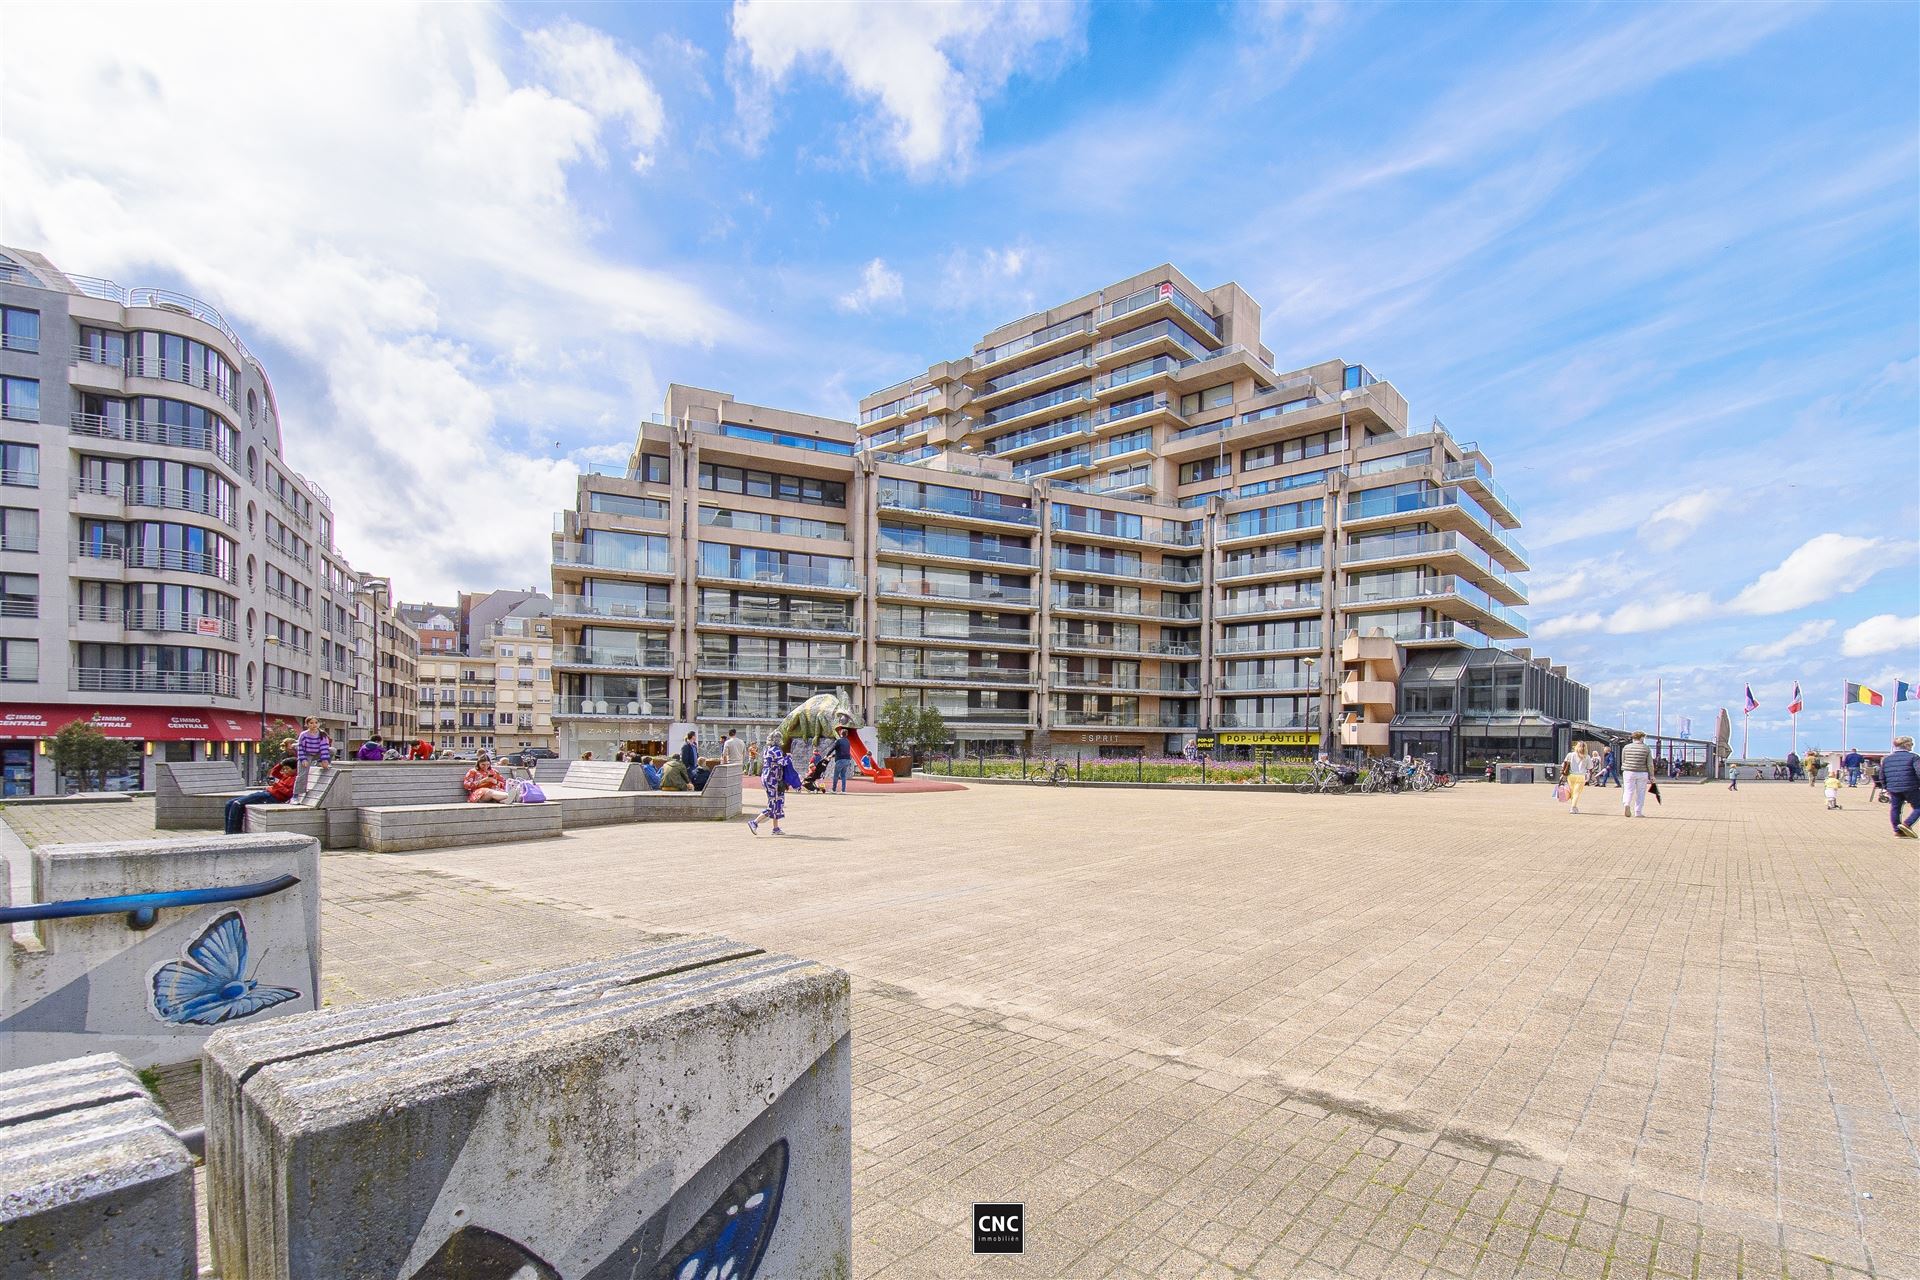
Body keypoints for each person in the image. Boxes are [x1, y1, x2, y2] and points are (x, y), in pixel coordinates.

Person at [225, 759, 297, 834]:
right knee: (229, 803)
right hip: (266, 793)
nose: (285, 771)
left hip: (273, 797)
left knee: (237, 804)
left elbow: (288, 793)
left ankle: (233, 833)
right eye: (284, 769)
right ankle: (227, 832)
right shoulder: (286, 776)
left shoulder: (294, 779)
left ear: (295, 769)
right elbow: (274, 772)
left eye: (287, 769)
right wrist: (281, 764)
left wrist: (276, 785)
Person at [749, 739, 791, 836]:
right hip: (773, 780)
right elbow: (783, 762)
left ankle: (775, 828)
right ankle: (754, 822)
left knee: (777, 802)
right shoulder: (776, 750)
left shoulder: (767, 749)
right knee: (773, 804)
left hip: (768, 778)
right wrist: (789, 757)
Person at [1882, 736, 1918, 838]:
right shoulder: (1914, 757)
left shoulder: (1887, 759)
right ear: (1906, 745)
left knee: (1895, 809)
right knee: (1918, 806)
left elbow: (1882, 775)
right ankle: (1907, 824)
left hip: (1893, 787)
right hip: (1910, 787)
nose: (1912, 746)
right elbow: (1919, 772)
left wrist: (1886, 787)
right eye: (1911, 744)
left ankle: (1898, 831)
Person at [294, 716, 332, 796]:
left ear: (319, 724)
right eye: (311, 723)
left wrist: (324, 760)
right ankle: (296, 795)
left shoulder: (323, 734)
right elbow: (300, 748)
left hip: (317, 753)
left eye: (316, 723)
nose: (314, 725)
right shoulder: (304, 734)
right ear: (307, 724)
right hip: (306, 754)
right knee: (302, 774)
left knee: (332, 750)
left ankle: (320, 762)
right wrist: (303, 759)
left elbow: (324, 747)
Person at [1620, 731, 1653, 818]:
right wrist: (1652, 775)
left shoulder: (1626, 747)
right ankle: (1638, 812)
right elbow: (1650, 763)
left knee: (1628, 790)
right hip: (1642, 772)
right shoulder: (1646, 748)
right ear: (1641, 738)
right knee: (1640, 792)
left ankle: (1626, 803)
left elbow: (1623, 760)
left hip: (1628, 771)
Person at [1560, 740, 1589, 813]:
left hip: (1571, 776)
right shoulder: (1587, 757)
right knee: (1577, 792)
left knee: (1572, 792)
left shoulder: (1570, 755)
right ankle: (1573, 807)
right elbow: (1589, 767)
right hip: (1581, 776)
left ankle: (1574, 806)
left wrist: (1562, 775)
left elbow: (1564, 765)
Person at [830, 726, 854, 794]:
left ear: (841, 734)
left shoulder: (839, 741)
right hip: (847, 760)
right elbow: (844, 751)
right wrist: (833, 755)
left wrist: (827, 755)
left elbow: (833, 748)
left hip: (840, 760)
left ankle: (834, 789)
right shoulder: (848, 742)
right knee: (843, 775)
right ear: (846, 734)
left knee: (836, 775)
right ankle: (843, 790)